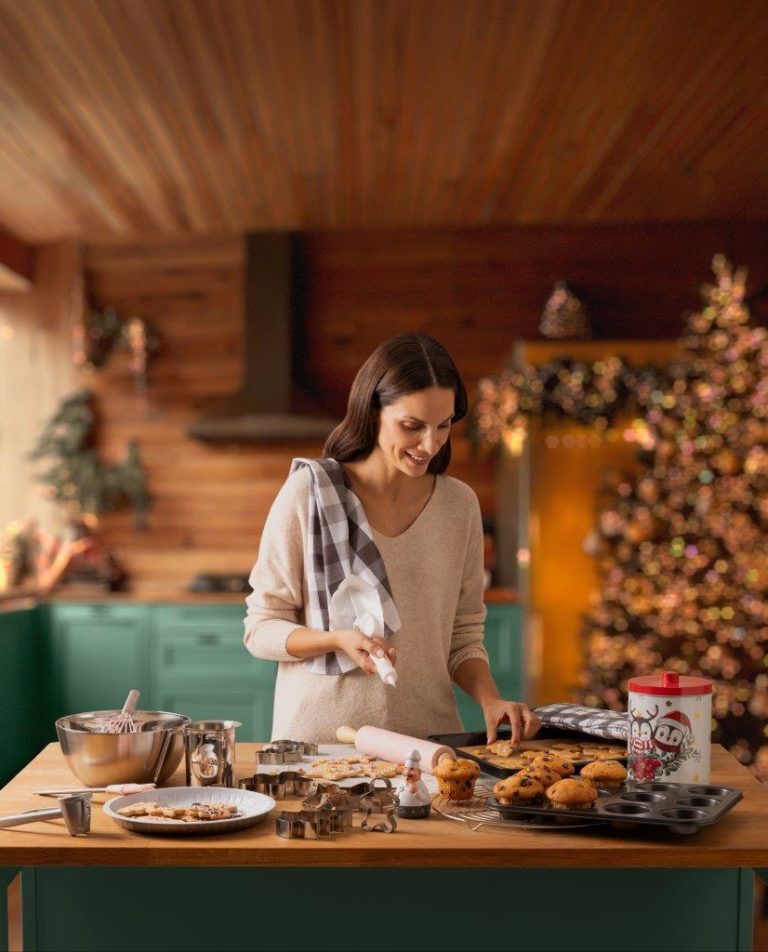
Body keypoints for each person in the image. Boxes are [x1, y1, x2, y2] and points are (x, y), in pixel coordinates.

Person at [243, 333, 540, 746]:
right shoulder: (311, 494)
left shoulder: (459, 506)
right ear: (372, 411)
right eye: (412, 426)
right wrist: (336, 640)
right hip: (318, 747)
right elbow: (260, 628)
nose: (430, 444)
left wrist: (490, 700)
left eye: (443, 425)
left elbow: (464, 635)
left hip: (429, 748)